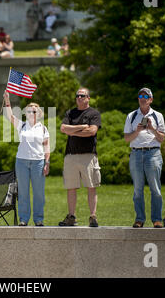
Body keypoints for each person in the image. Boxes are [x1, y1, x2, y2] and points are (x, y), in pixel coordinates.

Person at [3, 91, 50, 226]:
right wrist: (7, 100)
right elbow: (10, 116)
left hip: (38, 163)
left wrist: (47, 163)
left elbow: (47, 147)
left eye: (34, 111)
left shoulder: (43, 128)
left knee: (39, 193)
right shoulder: (22, 125)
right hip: (21, 162)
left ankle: (39, 219)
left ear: (38, 114)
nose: (31, 113)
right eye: (29, 111)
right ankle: (24, 219)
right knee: (23, 192)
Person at [59, 88, 102, 227]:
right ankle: (71, 216)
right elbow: (63, 129)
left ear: (88, 98)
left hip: (88, 156)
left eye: (82, 95)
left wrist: (73, 131)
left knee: (91, 186)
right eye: (77, 95)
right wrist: (82, 127)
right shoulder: (70, 113)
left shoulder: (94, 113)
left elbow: (92, 131)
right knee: (71, 187)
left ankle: (93, 216)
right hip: (71, 156)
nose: (79, 97)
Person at [124, 87, 165, 228]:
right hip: (136, 154)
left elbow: (161, 139)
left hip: (153, 153)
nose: (143, 98)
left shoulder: (158, 116)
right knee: (137, 190)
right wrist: (137, 131)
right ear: (138, 99)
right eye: (140, 95)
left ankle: (157, 219)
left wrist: (152, 128)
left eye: (146, 96)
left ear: (151, 100)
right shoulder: (131, 116)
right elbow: (126, 139)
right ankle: (140, 219)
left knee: (155, 189)